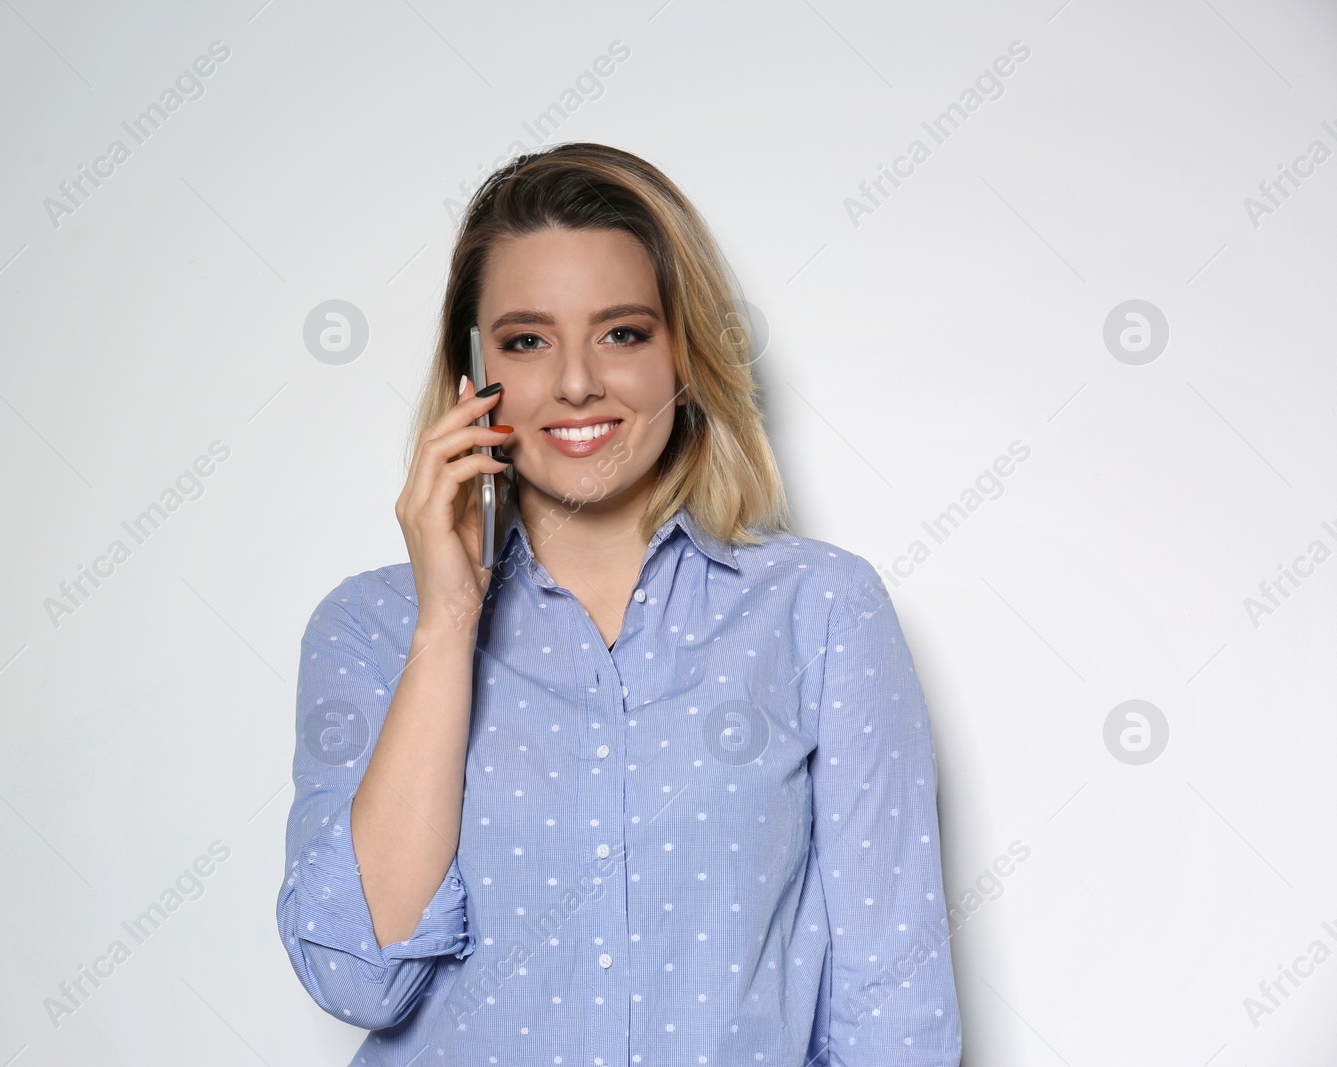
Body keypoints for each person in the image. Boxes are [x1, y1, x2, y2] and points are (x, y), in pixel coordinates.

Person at [277, 142, 962, 1066]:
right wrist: (446, 624)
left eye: (623, 332)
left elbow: (895, 1009)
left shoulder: (822, 612)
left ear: (685, 353)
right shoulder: (368, 630)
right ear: (469, 374)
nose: (574, 382)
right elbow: (358, 976)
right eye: (526, 340)